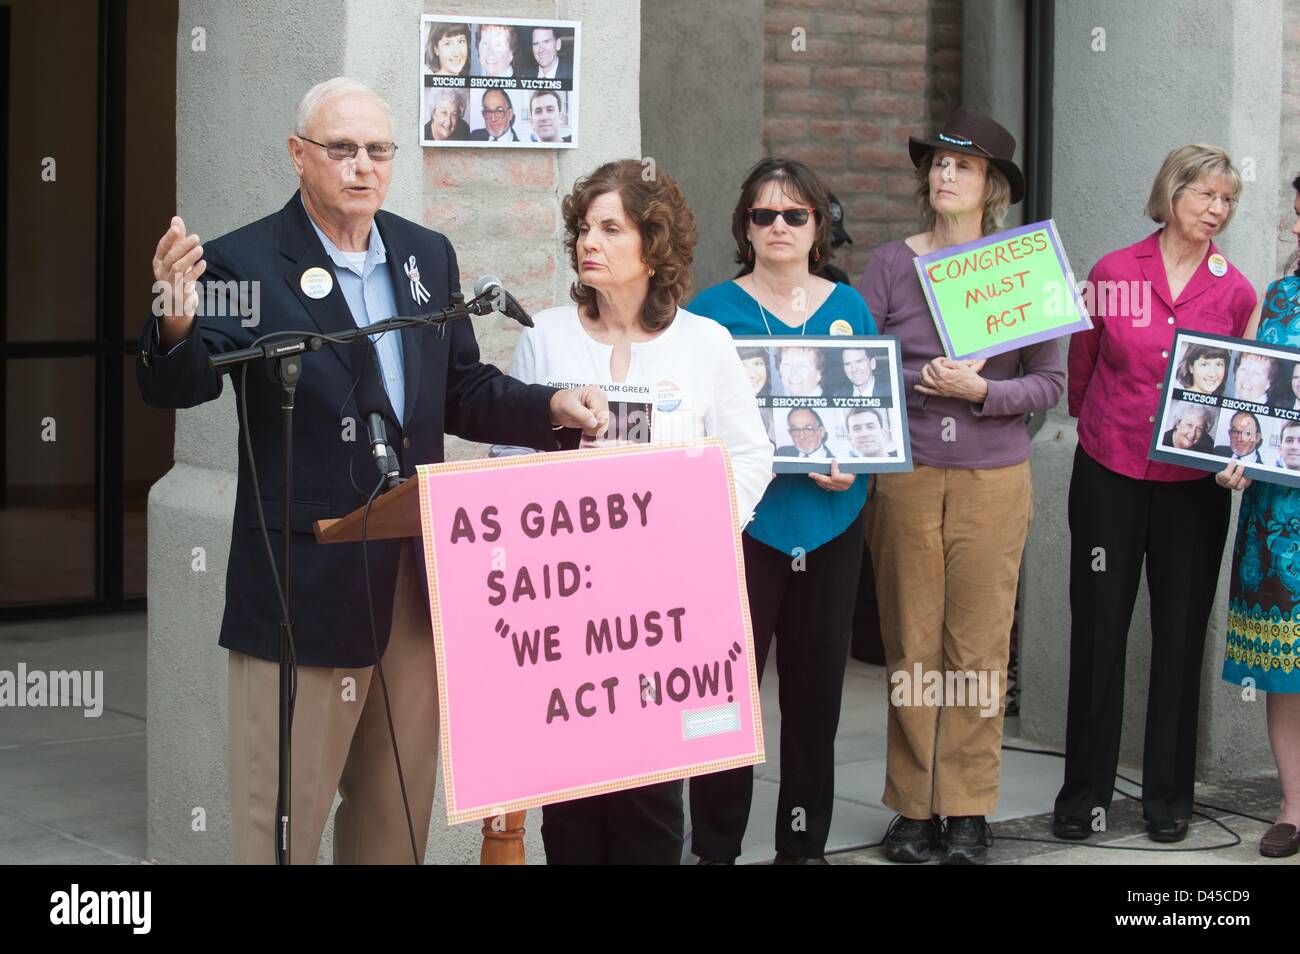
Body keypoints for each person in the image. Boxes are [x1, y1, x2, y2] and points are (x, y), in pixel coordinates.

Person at [136, 77, 605, 864]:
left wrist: (551, 406)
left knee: (395, 816)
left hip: (414, 584)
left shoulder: (425, 254)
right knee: (281, 823)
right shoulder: (245, 260)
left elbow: (460, 388)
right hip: (303, 584)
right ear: (298, 155)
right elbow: (180, 385)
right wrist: (174, 316)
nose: (363, 166)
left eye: (379, 150)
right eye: (342, 148)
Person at [494, 159, 772, 865]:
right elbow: (507, 462)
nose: (590, 240)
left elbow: (749, 456)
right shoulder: (546, 337)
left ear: (653, 244)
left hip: (663, 612)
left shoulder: (705, 342)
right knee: (572, 811)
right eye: (584, 227)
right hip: (567, 612)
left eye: (610, 228)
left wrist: (700, 533)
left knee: (649, 806)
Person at [860, 107, 1064, 864]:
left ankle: (969, 808)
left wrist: (984, 393)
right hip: (909, 473)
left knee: (978, 649)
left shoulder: (1025, 266)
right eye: (938, 164)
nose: (945, 175)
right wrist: (925, 379)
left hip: (993, 477)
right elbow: (866, 370)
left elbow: (1049, 385)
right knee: (912, 645)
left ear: (992, 188)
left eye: (963, 166)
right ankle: (913, 807)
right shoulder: (889, 263)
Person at [1055, 144, 1256, 846]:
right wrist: (1105, 429)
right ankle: (1084, 794)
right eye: (1205, 195)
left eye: (1227, 200)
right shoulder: (1114, 272)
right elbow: (1083, 371)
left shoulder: (1236, 291)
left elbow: (1243, 392)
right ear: (1171, 193)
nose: (1216, 210)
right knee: (1099, 632)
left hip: (1192, 490)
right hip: (1110, 472)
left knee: (1177, 637)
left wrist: (1237, 456)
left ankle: (1169, 799)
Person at [687, 158, 876, 864]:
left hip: (831, 522)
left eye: (794, 215)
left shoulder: (849, 309)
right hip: (741, 526)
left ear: (817, 227)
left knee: (814, 699)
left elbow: (870, 416)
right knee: (725, 697)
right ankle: (715, 849)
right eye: (763, 215)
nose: (778, 227)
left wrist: (857, 460)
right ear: (745, 226)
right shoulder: (709, 314)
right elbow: (692, 420)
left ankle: (804, 846)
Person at [1220, 175, 1300, 858]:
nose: (1299, 228)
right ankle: (1293, 806)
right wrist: (1234, 447)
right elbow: (1245, 396)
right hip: (1277, 514)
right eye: (1299, 215)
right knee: (1283, 666)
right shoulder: (1275, 299)